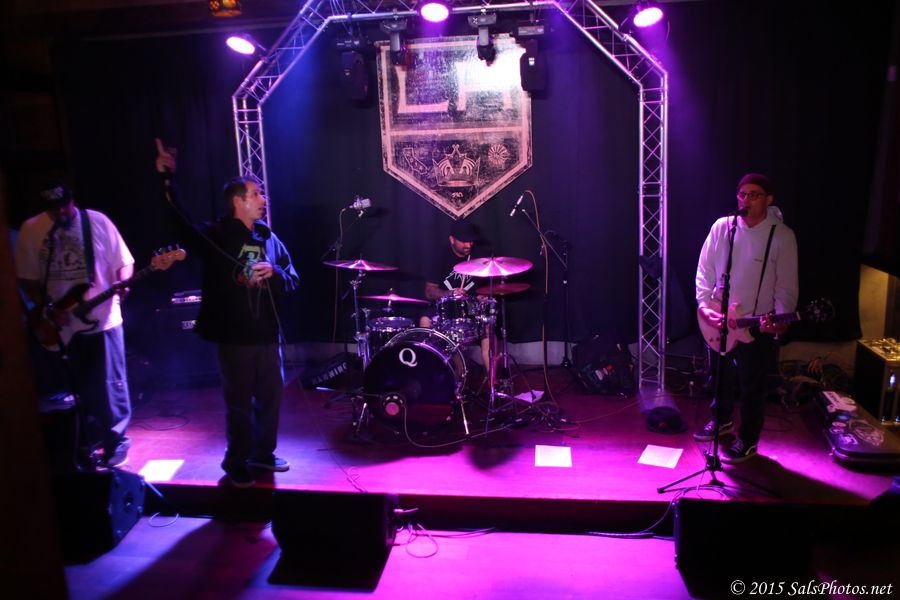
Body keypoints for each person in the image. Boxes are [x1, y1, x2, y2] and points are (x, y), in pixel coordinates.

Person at [155, 139, 299, 488]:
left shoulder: (269, 238)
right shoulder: (216, 235)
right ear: (239, 201)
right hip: (234, 338)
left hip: (267, 336)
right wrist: (167, 181)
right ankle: (236, 462)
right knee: (239, 405)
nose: (263, 199)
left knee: (270, 400)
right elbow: (181, 223)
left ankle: (263, 455)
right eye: (256, 194)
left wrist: (276, 273)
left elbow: (293, 278)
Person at [15, 183, 135, 468]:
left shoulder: (97, 221)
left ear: (73, 201)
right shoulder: (31, 230)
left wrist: (123, 283)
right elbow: (28, 279)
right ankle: (84, 441)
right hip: (61, 322)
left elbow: (124, 261)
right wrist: (47, 309)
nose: (60, 213)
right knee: (74, 387)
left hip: (103, 317)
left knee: (110, 384)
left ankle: (115, 441)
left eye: (65, 206)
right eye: (53, 210)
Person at [694, 173, 798, 463]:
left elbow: (786, 284)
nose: (746, 200)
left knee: (753, 384)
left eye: (754, 195)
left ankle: (749, 439)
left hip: (756, 323)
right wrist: (704, 305)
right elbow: (705, 269)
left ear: (768, 200)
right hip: (721, 319)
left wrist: (780, 317)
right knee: (719, 376)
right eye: (742, 194)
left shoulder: (781, 235)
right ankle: (722, 420)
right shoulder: (723, 227)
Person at [420, 219, 492, 371]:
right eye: (464, 241)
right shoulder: (440, 257)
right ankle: (457, 371)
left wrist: (483, 296)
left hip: (473, 306)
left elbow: (489, 286)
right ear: (452, 240)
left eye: (471, 241)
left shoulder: (481, 256)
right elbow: (429, 291)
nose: (468, 245)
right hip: (446, 306)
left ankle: (492, 379)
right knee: (425, 320)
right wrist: (449, 293)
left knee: (488, 326)